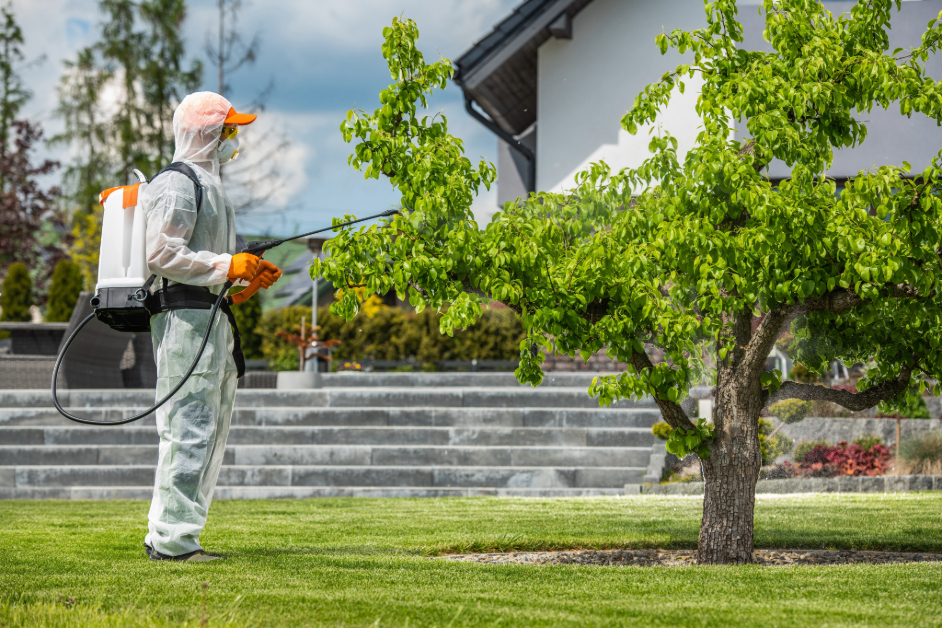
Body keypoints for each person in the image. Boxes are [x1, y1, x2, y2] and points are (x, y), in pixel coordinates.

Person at [140, 92, 282, 562]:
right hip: (184, 321)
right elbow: (161, 256)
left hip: (210, 318)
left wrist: (245, 278)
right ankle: (172, 541)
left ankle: (176, 531)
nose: (232, 139)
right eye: (227, 129)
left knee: (209, 429)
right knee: (189, 426)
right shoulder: (177, 184)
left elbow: (209, 269)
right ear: (205, 132)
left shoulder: (211, 187)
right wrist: (228, 264)